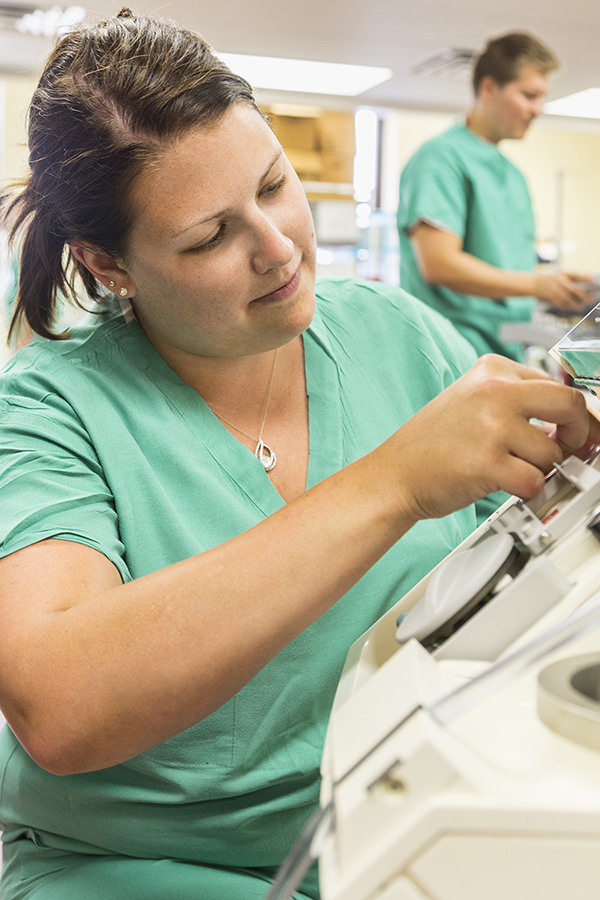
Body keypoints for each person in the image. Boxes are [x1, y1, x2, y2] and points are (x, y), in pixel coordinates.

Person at [0, 11, 597, 900]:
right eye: (209, 237)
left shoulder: (393, 333)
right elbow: (60, 704)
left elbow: (521, 552)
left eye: (276, 187)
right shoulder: (52, 407)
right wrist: (392, 483)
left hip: (391, 819)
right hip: (147, 865)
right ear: (108, 263)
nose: (279, 247)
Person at [397, 31, 592, 362]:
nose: (538, 109)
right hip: (448, 352)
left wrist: (560, 290)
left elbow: (512, 272)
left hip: (504, 349)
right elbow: (439, 264)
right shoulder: (440, 160)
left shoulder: (512, 175)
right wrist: (536, 285)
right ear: (488, 88)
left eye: (542, 97)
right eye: (529, 95)